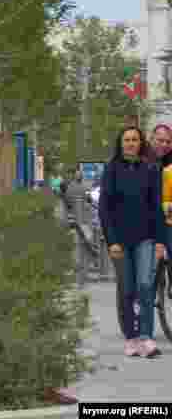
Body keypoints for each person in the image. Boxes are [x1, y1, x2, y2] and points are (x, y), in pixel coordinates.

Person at [99, 125, 168, 358]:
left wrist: (160, 241)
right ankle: (131, 338)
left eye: (135, 139)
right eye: (127, 140)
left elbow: (156, 207)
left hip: (145, 238)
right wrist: (112, 241)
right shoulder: (111, 169)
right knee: (127, 289)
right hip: (120, 240)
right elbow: (104, 208)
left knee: (145, 286)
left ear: (141, 143)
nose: (130, 143)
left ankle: (146, 337)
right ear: (121, 143)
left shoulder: (150, 169)